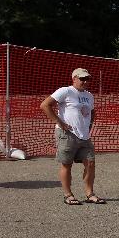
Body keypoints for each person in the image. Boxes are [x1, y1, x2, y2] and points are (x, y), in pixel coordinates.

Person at [39, 68, 106, 205]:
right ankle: (68, 195)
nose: (85, 81)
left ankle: (90, 194)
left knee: (91, 163)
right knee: (67, 164)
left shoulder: (89, 95)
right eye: (82, 79)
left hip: (84, 136)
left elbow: (92, 112)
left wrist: (89, 125)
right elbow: (45, 105)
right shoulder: (66, 91)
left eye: (87, 79)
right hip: (67, 134)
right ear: (74, 78)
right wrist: (60, 122)